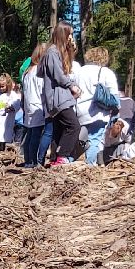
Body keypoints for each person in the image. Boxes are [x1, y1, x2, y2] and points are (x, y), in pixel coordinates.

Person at [36, 24, 83, 165]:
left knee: (59, 129)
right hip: (59, 99)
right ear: (63, 34)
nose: (71, 37)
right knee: (74, 126)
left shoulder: (54, 52)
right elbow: (59, 76)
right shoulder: (52, 52)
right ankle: (62, 156)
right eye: (69, 34)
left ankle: (54, 159)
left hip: (56, 99)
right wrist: (72, 85)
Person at [75, 47, 124, 165]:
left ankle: (68, 159)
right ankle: (90, 166)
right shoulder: (106, 72)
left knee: (80, 138)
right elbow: (115, 96)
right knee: (94, 139)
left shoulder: (80, 71)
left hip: (80, 110)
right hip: (99, 112)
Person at [17, 44, 48, 167]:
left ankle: (28, 159)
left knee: (30, 133)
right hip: (38, 106)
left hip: (29, 105)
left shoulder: (27, 72)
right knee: (36, 134)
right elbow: (42, 89)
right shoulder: (39, 71)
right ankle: (33, 161)